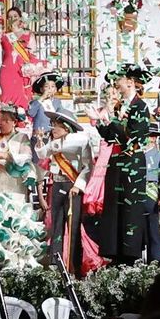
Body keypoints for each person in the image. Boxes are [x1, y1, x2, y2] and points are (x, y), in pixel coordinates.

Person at [91, 64, 152, 263]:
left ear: (130, 81)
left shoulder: (140, 106)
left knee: (130, 208)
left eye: (119, 78)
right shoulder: (119, 106)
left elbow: (131, 136)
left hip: (132, 162)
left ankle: (129, 254)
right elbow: (111, 137)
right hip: (117, 161)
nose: (116, 83)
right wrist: (100, 122)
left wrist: (111, 122)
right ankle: (114, 252)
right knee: (113, 206)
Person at [39, 109, 97, 272]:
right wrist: (39, 141)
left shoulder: (80, 141)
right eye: (53, 125)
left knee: (73, 227)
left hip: (73, 187)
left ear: (66, 127)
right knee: (56, 225)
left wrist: (78, 185)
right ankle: (55, 264)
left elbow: (88, 166)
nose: (53, 128)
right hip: (57, 185)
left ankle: (74, 266)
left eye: (57, 125)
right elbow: (42, 154)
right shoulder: (53, 143)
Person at [0, 103, 37, 199]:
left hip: (15, 181)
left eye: (5, 120)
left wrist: (7, 156)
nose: (1, 123)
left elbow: (27, 156)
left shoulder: (22, 137)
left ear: (14, 122)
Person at [0, 6, 47, 107]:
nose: (12, 19)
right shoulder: (3, 35)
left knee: (22, 100)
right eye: (10, 17)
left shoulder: (28, 34)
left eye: (15, 16)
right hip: (7, 72)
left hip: (22, 71)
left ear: (20, 18)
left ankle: (23, 122)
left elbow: (32, 55)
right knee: (7, 101)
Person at [138, 122, 160, 262]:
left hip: (151, 195)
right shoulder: (135, 153)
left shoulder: (159, 155)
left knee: (153, 230)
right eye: (148, 136)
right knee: (136, 230)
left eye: (153, 136)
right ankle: (134, 262)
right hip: (135, 195)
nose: (151, 139)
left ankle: (155, 262)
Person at [27, 71, 76, 141]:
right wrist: (42, 98)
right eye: (46, 86)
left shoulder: (57, 102)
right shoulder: (36, 102)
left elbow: (61, 116)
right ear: (41, 89)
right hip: (38, 137)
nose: (50, 89)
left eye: (52, 86)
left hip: (53, 136)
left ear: (55, 90)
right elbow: (30, 113)